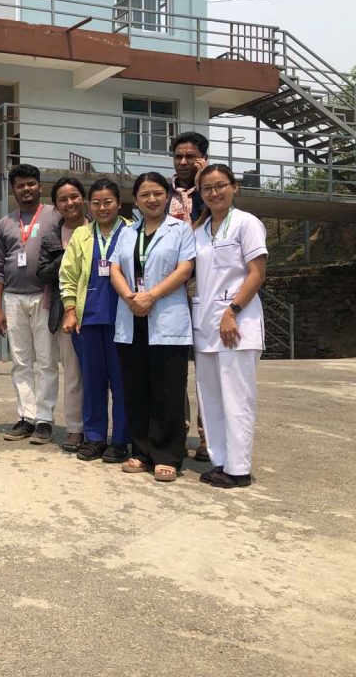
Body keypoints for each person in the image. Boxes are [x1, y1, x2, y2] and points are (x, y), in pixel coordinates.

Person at [109, 173, 196, 482]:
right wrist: (131, 297)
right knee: (136, 387)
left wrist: (151, 296)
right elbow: (115, 268)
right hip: (131, 315)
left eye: (158, 193)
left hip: (165, 316)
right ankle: (141, 451)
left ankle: (168, 454)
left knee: (168, 389)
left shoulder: (181, 229)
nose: (152, 199)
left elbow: (185, 269)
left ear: (167, 196)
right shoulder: (127, 232)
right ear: (136, 198)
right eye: (145, 194)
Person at [192, 165, 268, 488]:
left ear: (234, 187)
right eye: (207, 188)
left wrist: (232, 310)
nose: (214, 193)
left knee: (237, 398)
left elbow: (256, 274)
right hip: (206, 325)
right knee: (210, 399)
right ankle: (220, 461)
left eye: (220, 186)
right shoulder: (199, 230)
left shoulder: (246, 223)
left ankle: (239, 469)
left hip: (237, 323)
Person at [57, 178, 132, 463]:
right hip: (87, 320)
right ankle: (95, 436)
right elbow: (68, 274)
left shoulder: (130, 232)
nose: (102, 207)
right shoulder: (81, 235)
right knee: (92, 380)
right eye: (97, 203)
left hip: (123, 320)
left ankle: (122, 439)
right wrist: (70, 309)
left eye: (108, 202)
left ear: (119, 203)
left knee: (122, 382)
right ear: (90, 205)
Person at [0, 163, 61, 444]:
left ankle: (44, 419)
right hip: (13, 298)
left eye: (31, 184)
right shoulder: (4, 223)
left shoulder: (55, 216)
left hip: (44, 295)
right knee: (20, 361)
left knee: (46, 361)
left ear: (40, 186)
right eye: (20, 185)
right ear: (13, 190)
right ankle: (26, 417)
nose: (26, 189)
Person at [37, 177, 89, 452]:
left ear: (84, 197)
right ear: (56, 206)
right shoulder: (51, 237)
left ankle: (100, 429)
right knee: (72, 372)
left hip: (96, 310)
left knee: (99, 374)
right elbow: (42, 273)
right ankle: (74, 429)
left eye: (74, 196)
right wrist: (67, 256)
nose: (70, 203)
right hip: (63, 310)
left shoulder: (99, 229)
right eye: (63, 199)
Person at [168, 131, 210, 462]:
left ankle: (209, 434)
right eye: (178, 156)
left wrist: (202, 180)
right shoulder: (160, 192)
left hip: (204, 284)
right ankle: (176, 431)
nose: (183, 162)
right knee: (174, 363)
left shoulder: (212, 191)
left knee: (207, 362)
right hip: (169, 286)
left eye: (190, 157)